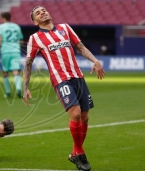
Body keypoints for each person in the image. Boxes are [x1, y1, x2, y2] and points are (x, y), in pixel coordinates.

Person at [23, 6, 105, 171]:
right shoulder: (35, 38)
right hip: (60, 80)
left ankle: (75, 153)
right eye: (38, 13)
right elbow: (28, 63)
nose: (43, 12)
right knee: (75, 114)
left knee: (84, 117)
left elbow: (80, 47)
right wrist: (25, 87)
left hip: (78, 77)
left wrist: (95, 60)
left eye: (44, 10)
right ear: (34, 21)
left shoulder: (65, 28)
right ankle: (80, 153)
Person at [0, 12, 24, 98]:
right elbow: (21, 41)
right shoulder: (16, 26)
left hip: (5, 51)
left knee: (5, 72)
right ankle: (18, 89)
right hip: (16, 51)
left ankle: (8, 92)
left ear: (3, 18)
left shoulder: (0, 27)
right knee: (16, 71)